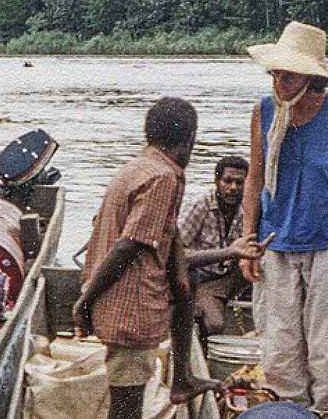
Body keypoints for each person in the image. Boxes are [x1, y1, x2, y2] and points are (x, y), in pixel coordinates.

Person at [72, 97, 264, 419]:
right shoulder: (163, 178)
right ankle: (182, 379)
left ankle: (182, 378)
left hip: (129, 305)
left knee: (187, 283)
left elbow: (174, 253)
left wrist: (184, 288)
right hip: (129, 309)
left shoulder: (140, 167)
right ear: (188, 139)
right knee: (126, 407)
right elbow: (126, 247)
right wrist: (85, 300)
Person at [240, 21, 328, 419]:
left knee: (325, 343)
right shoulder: (263, 112)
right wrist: (247, 241)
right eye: (275, 73)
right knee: (279, 341)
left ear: (310, 78)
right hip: (276, 241)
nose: (279, 81)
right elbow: (255, 177)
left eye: (288, 74)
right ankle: (288, 411)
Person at [179, 156, 252, 336]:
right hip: (202, 280)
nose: (233, 188)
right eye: (227, 181)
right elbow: (178, 255)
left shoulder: (249, 209)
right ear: (217, 181)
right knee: (215, 324)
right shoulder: (200, 207)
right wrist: (227, 253)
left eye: (239, 183)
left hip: (234, 278)